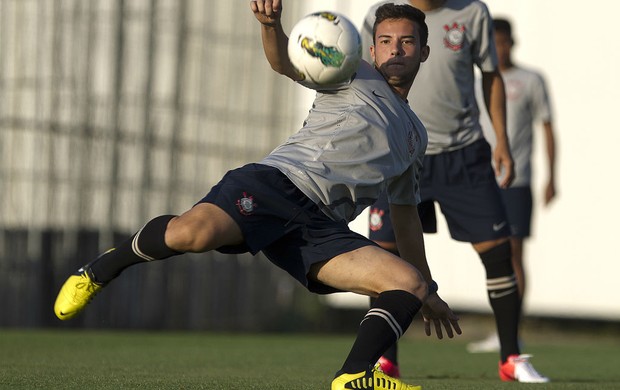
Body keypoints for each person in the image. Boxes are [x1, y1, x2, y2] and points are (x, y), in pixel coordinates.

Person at [53, 1, 461, 389]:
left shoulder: (415, 136)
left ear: (424, 52)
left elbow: (405, 215)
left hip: (321, 228)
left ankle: (353, 376)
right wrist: (271, 27)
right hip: (275, 184)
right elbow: (285, 63)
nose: (395, 50)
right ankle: (103, 267)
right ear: (371, 49)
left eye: (406, 42)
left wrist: (430, 287)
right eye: (386, 41)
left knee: (408, 284)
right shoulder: (354, 72)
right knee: (189, 236)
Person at [361, 0, 549, 383]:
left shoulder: (472, 12)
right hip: (399, 148)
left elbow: (490, 76)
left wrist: (501, 142)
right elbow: (366, 78)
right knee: (385, 256)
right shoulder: (384, 17)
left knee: (499, 252)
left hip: (463, 153)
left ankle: (510, 357)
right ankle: (385, 362)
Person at [467, 17, 558, 354]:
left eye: (503, 42)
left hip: (517, 181)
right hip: (483, 180)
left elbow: (548, 128)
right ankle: (501, 330)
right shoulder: (477, 83)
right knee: (494, 252)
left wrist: (552, 177)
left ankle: (513, 332)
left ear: (512, 43)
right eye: (494, 43)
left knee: (516, 253)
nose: (499, 49)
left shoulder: (531, 80)